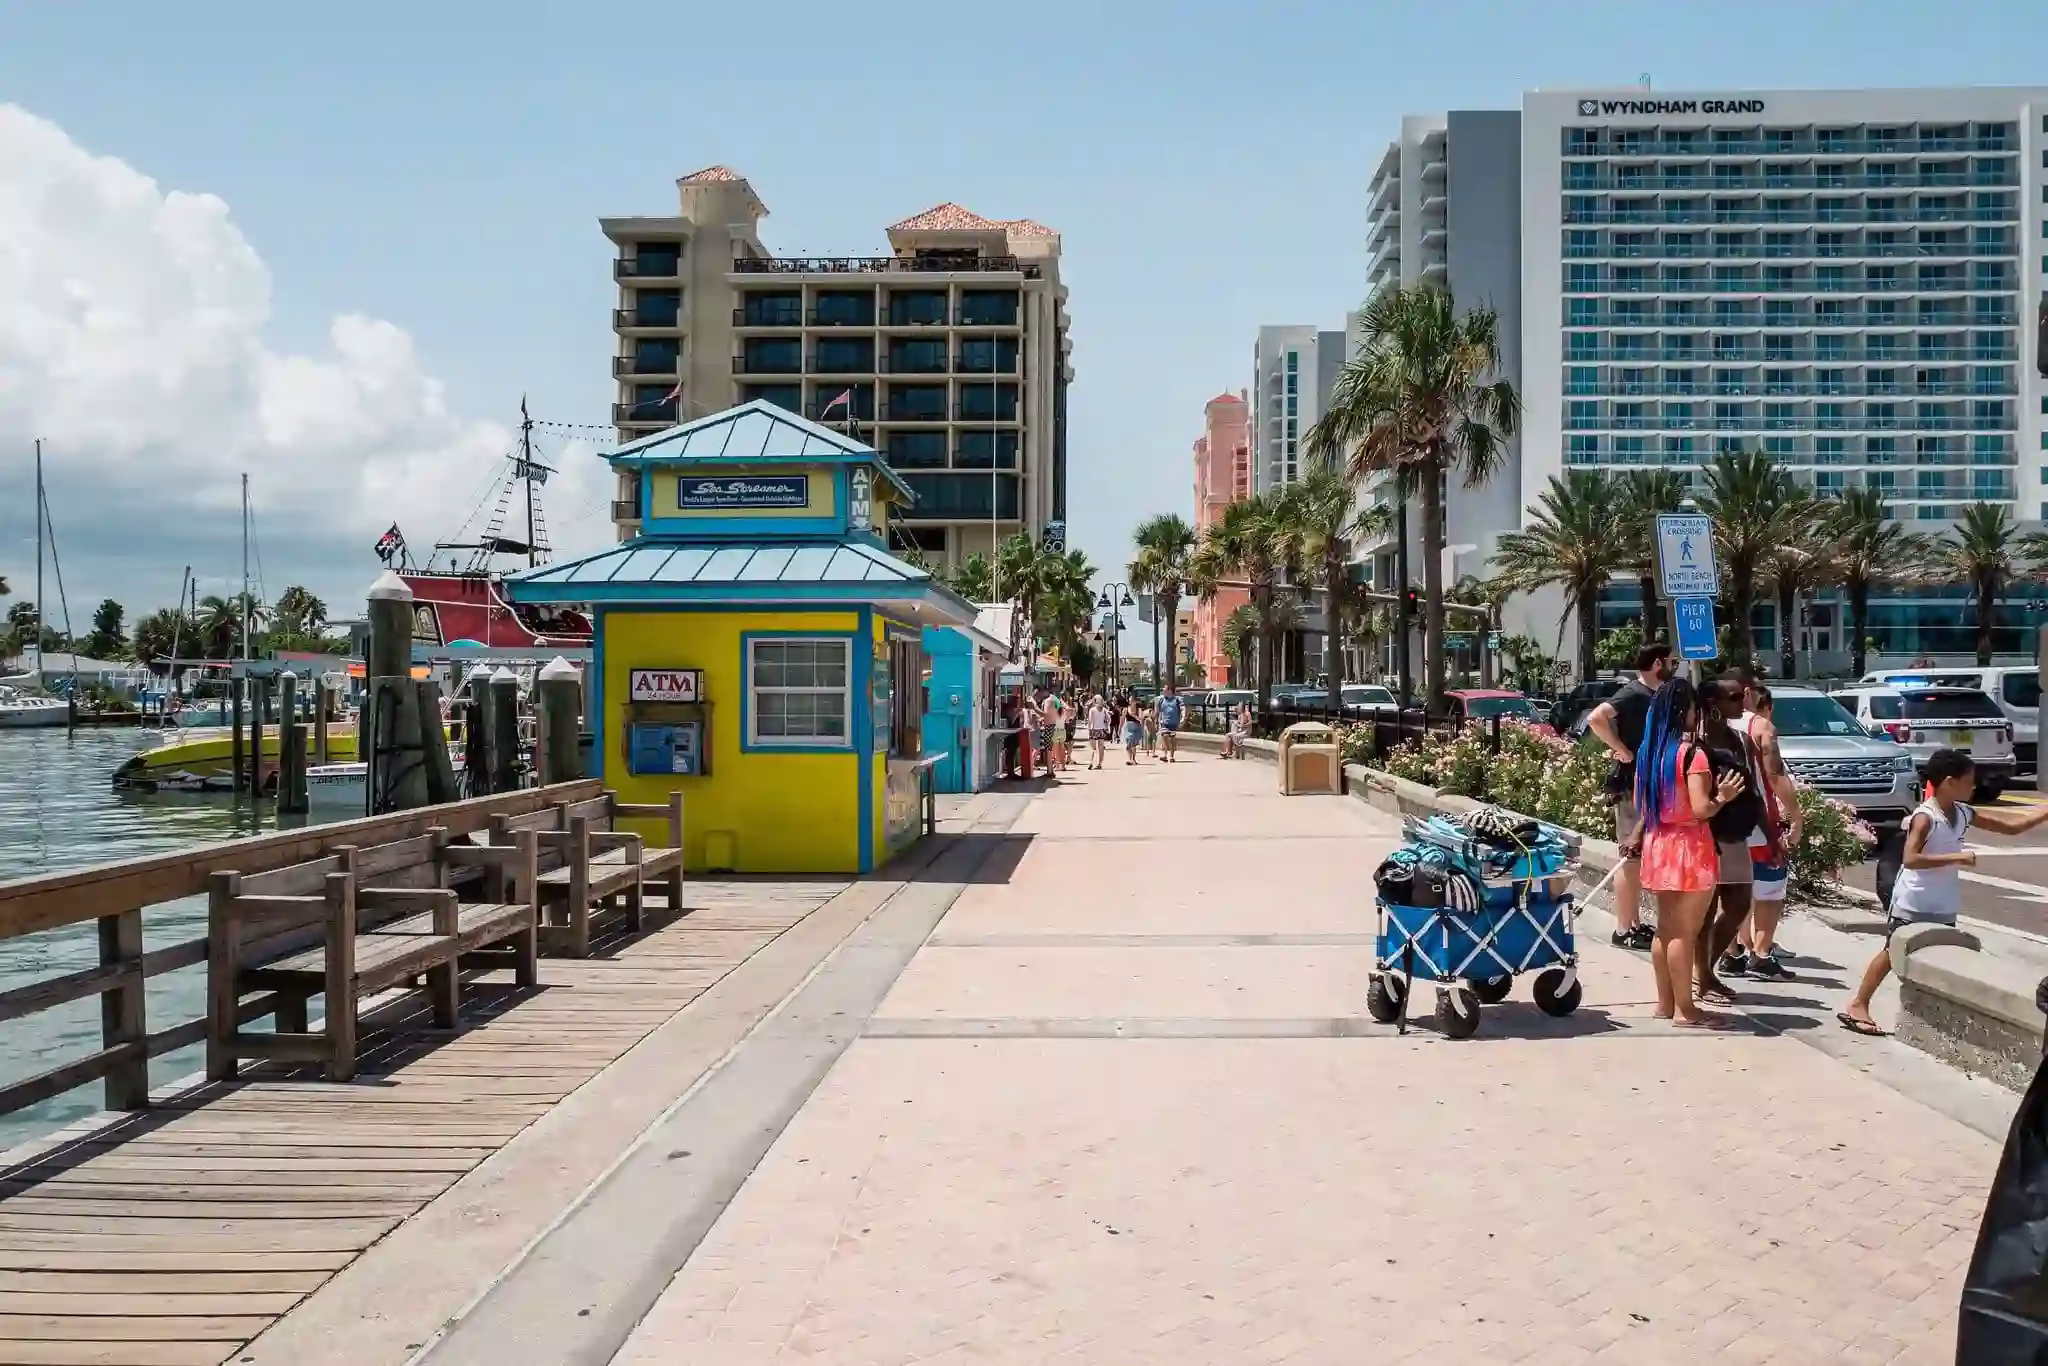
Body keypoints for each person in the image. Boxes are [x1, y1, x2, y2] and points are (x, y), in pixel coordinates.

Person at [1838, 749, 2048, 1035]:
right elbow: (1910, 859)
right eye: (1969, 780)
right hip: (1913, 901)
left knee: (1940, 955)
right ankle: (1858, 1004)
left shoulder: (1963, 813)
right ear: (1950, 782)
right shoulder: (1925, 818)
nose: (1974, 786)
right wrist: (1956, 858)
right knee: (1891, 952)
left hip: (1942, 903)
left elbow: (2011, 828)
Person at [1636, 677, 1746, 1028]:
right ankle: (1687, 1009)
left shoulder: (1648, 753)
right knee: (1685, 931)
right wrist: (1722, 798)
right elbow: (1700, 808)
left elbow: (1644, 804)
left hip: (1659, 843)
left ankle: (1665, 1004)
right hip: (1689, 847)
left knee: (1664, 930)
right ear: (1686, 711)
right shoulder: (1692, 755)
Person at [1586, 643, 1678, 950]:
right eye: (1671, 661)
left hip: (1648, 782)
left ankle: (1634, 924)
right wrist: (1623, 750)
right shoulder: (1634, 693)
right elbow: (1597, 718)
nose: (1674, 665)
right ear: (1656, 663)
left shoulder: (1655, 695)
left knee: (1637, 857)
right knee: (1629, 857)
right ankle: (1624, 928)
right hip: (1630, 785)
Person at [1694, 678, 1767, 1008]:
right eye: (1734, 697)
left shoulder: (1740, 740)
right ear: (1713, 703)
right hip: (1706, 835)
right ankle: (1703, 977)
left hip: (1736, 835)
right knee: (1705, 914)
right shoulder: (1695, 743)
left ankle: (1706, 969)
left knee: (1738, 905)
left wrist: (1772, 835)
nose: (1743, 701)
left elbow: (1755, 791)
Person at [1730, 674, 1800, 976]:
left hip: (1724, 821)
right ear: (1748, 692)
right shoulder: (1761, 727)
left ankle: (1731, 952)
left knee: (1731, 889)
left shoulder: (1709, 724)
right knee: (1770, 889)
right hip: (1761, 822)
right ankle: (1760, 953)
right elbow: (1774, 775)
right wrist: (1796, 815)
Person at [1156, 683, 1185, 763]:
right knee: (1165, 737)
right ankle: (1165, 755)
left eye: (1164, 690)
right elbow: (1158, 711)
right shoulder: (1161, 700)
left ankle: (1171, 756)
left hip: (1173, 723)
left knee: (1171, 740)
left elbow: (1183, 709)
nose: (1163, 692)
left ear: (1169, 691)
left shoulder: (1177, 700)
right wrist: (1158, 720)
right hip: (1164, 722)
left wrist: (1182, 719)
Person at [1086, 693, 1113, 769]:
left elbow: (1090, 720)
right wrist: (1106, 726)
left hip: (1093, 729)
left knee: (1093, 748)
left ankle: (1091, 762)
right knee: (1101, 747)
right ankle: (1099, 763)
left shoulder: (1092, 710)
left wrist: (1089, 729)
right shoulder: (1104, 710)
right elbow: (1109, 719)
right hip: (1101, 730)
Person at [1121, 696, 1145, 765]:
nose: (1130, 702)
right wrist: (1120, 729)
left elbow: (1141, 719)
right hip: (1128, 728)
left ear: (1135, 702)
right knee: (1128, 746)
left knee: (1133, 745)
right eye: (1129, 700)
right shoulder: (1125, 709)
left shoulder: (1138, 709)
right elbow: (1122, 720)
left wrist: (1134, 716)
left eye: (1131, 700)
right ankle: (1130, 759)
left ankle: (1132, 759)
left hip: (1136, 728)